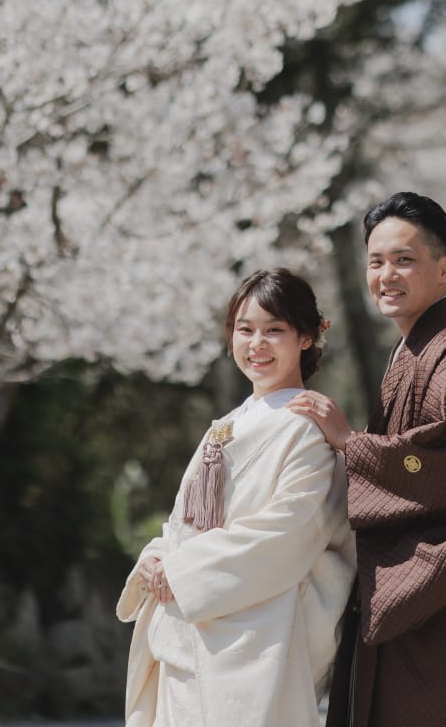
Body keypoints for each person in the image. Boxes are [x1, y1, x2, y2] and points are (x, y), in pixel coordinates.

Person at [287, 192, 446, 727]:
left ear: (444, 268)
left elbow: (442, 467)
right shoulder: (410, 352)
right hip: (424, 605)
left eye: (405, 259)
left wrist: (350, 443)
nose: (387, 275)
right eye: (376, 261)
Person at [116, 268, 356, 727]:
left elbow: (291, 530)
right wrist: (154, 560)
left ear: (306, 337)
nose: (257, 344)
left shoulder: (307, 428)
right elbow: (182, 523)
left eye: (275, 330)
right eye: (245, 330)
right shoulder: (224, 427)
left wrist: (182, 571)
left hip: (256, 636)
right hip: (190, 622)